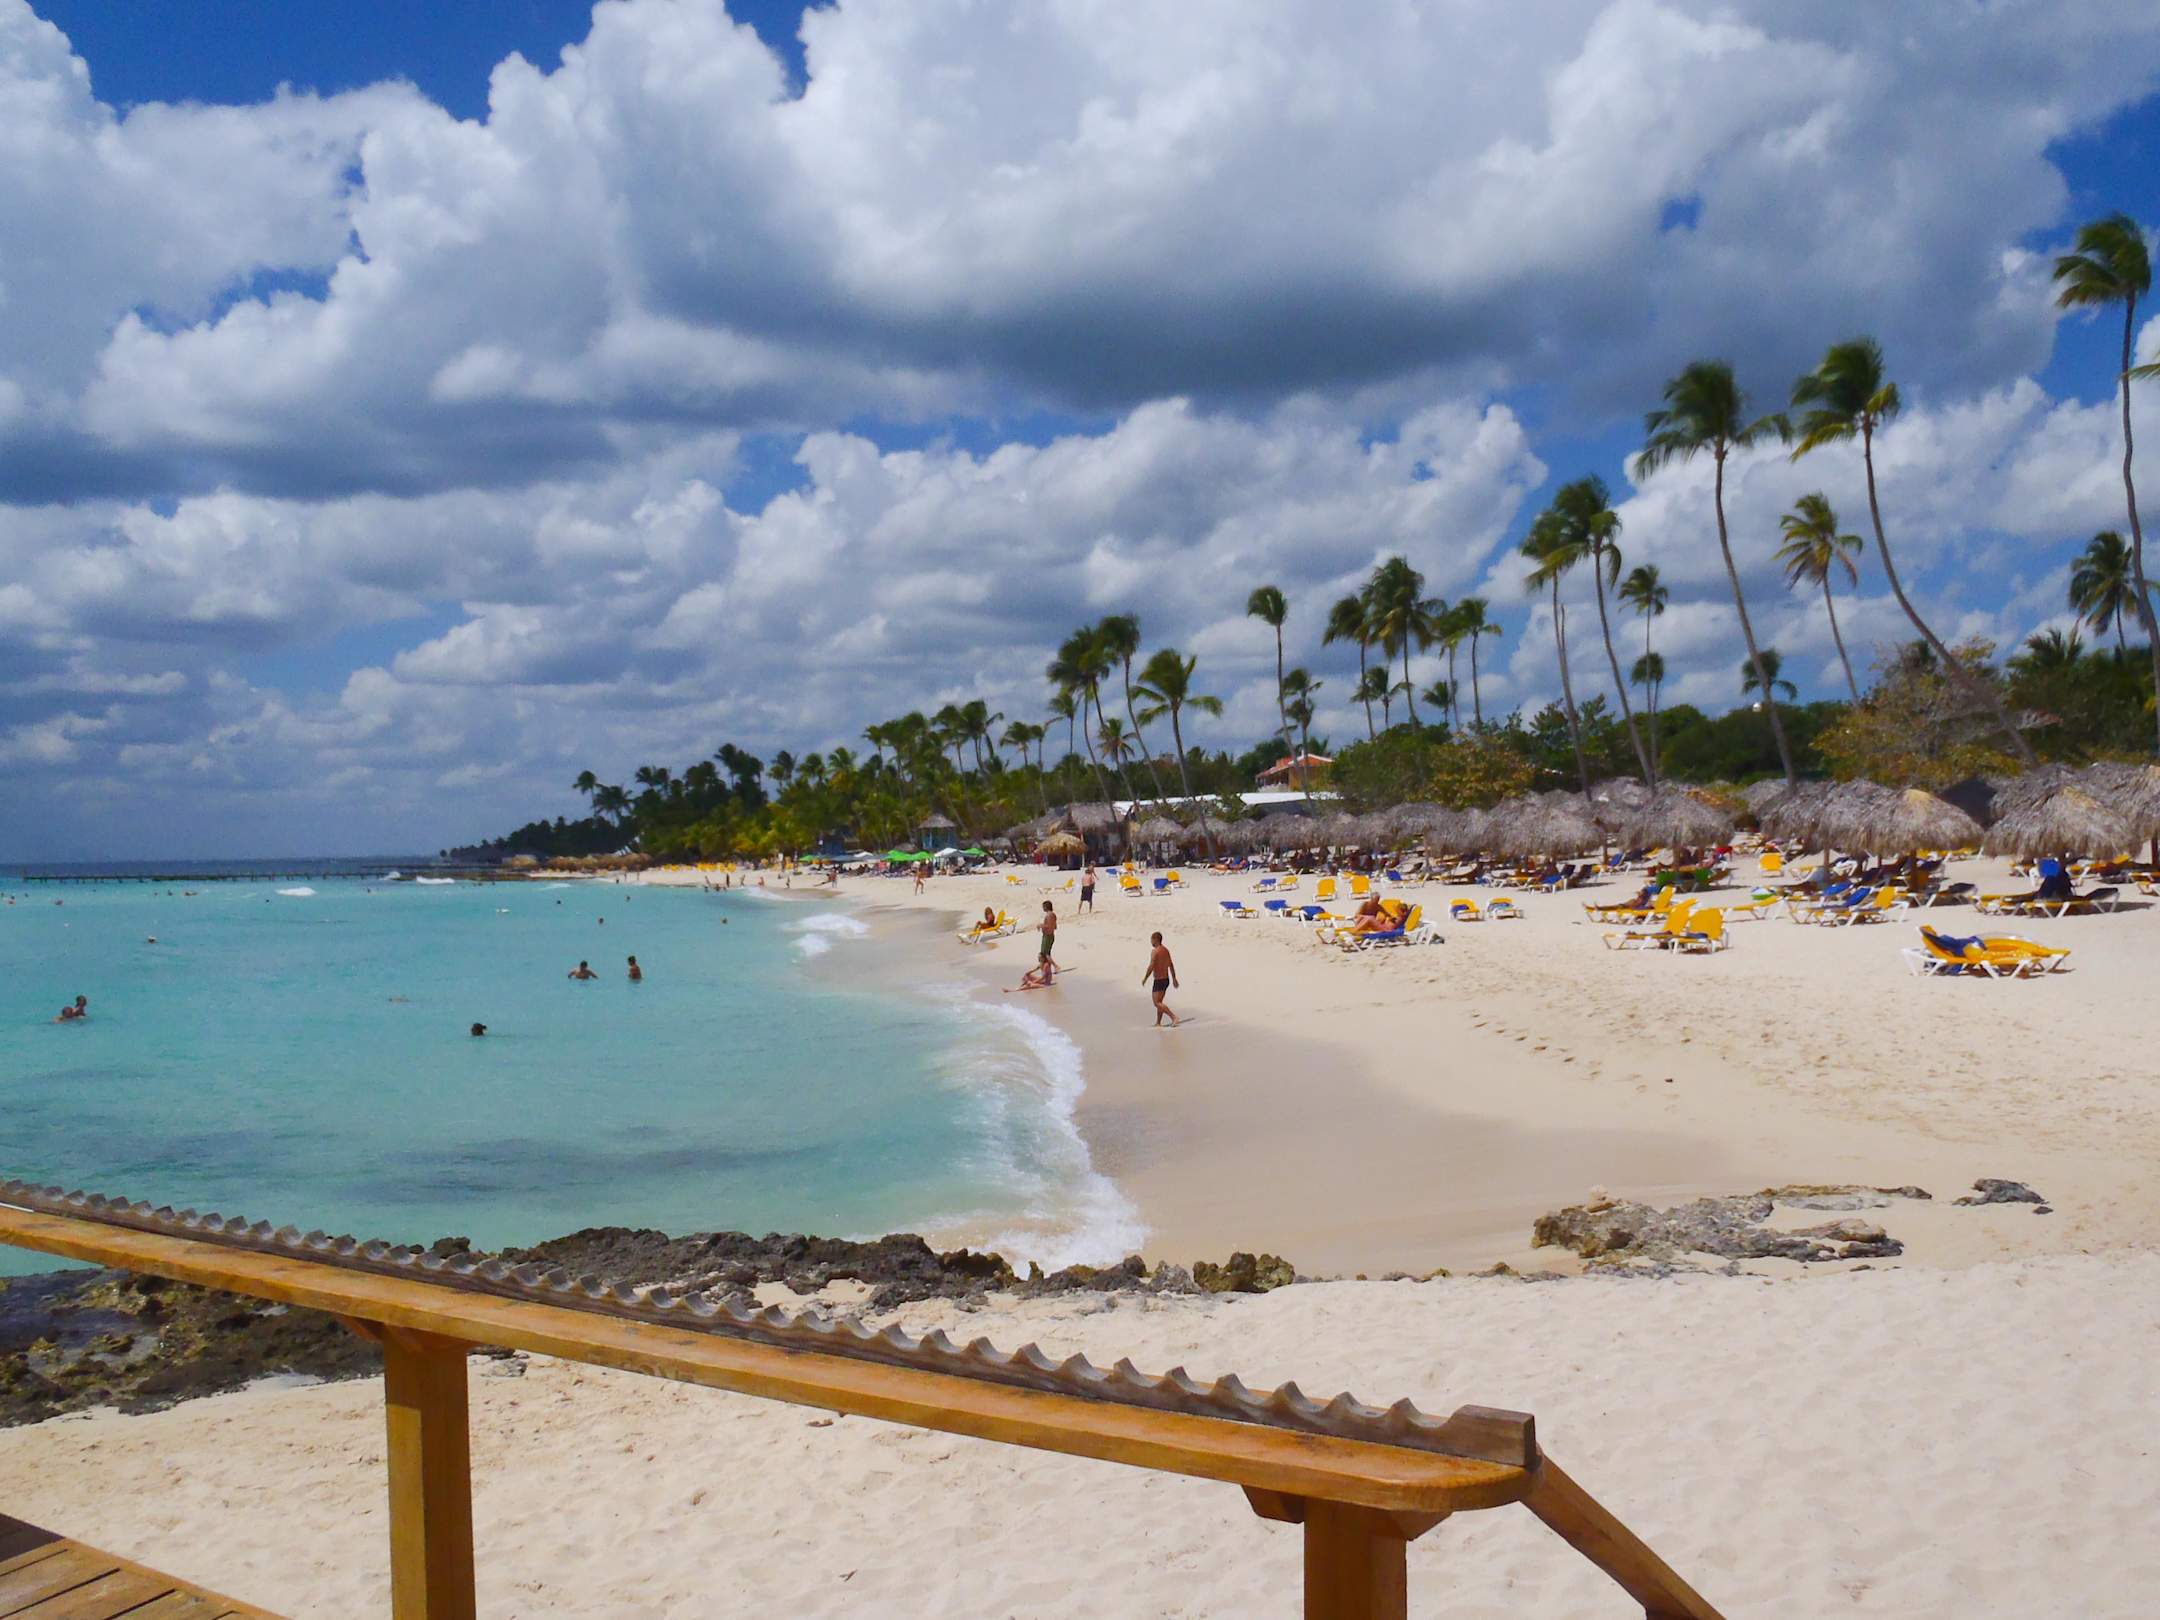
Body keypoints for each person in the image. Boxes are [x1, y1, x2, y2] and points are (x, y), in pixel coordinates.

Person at [1141, 933, 1180, 1027]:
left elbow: (1151, 966)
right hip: (1166, 979)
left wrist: (1145, 978)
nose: (1151, 942)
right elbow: (1171, 964)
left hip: (1159, 980)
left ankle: (1173, 1017)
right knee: (1160, 1001)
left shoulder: (1155, 951)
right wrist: (1174, 978)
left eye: (1151, 940)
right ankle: (1158, 1022)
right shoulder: (1165, 950)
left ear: (1156, 940)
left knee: (1157, 1002)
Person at [1037, 900, 1059, 980]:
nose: (1042, 908)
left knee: (1043, 954)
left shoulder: (1049, 915)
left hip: (1047, 936)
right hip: (1051, 936)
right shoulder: (1053, 915)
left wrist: (1041, 925)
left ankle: (1055, 966)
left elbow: (1048, 926)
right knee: (1047, 954)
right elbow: (1055, 927)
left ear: (1046, 907)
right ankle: (1047, 971)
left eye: (1043, 907)